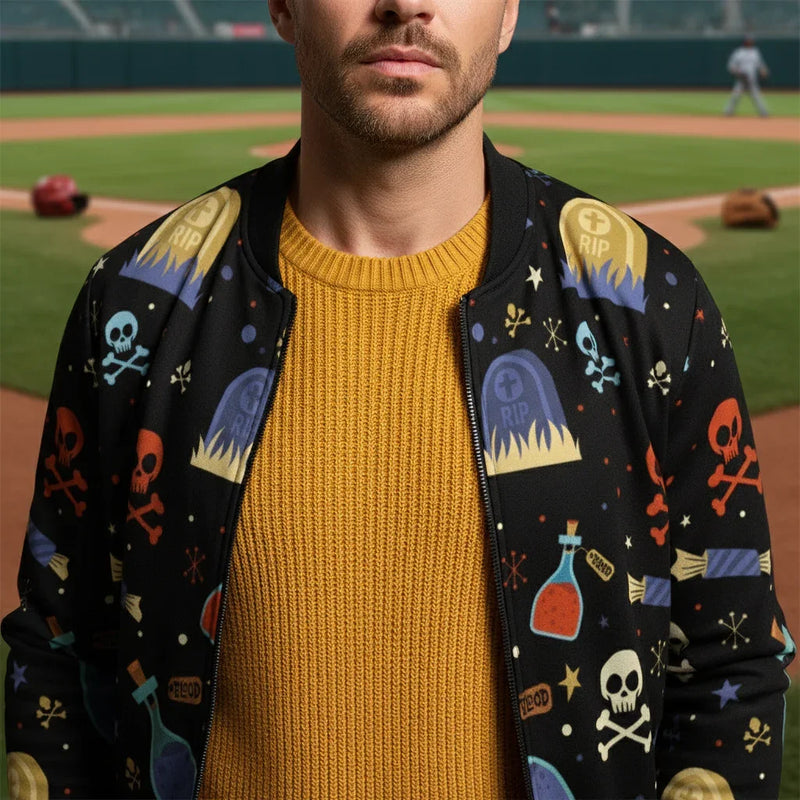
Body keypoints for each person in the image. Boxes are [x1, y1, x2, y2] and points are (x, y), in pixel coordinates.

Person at [3, 1, 794, 798]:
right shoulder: (140, 302)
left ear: (510, 13)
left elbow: (730, 663)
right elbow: (60, 655)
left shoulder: (649, 302)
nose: (404, 3)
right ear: (282, 6)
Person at [724, 36, 770, 117]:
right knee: (736, 96)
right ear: (744, 42)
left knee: (756, 96)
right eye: (748, 41)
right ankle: (729, 112)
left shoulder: (755, 52)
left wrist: (763, 70)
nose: (750, 42)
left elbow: (760, 64)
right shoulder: (738, 52)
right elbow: (731, 66)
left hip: (752, 79)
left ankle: (763, 112)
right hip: (742, 78)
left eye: (751, 41)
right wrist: (738, 73)